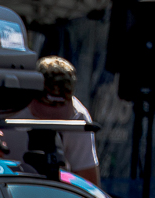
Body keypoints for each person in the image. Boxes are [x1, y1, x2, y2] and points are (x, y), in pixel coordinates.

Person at [23, 56, 99, 185]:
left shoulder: (78, 118)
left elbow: (88, 183)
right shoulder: (8, 109)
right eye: (48, 105)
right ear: (32, 96)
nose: (53, 118)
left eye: (60, 106)